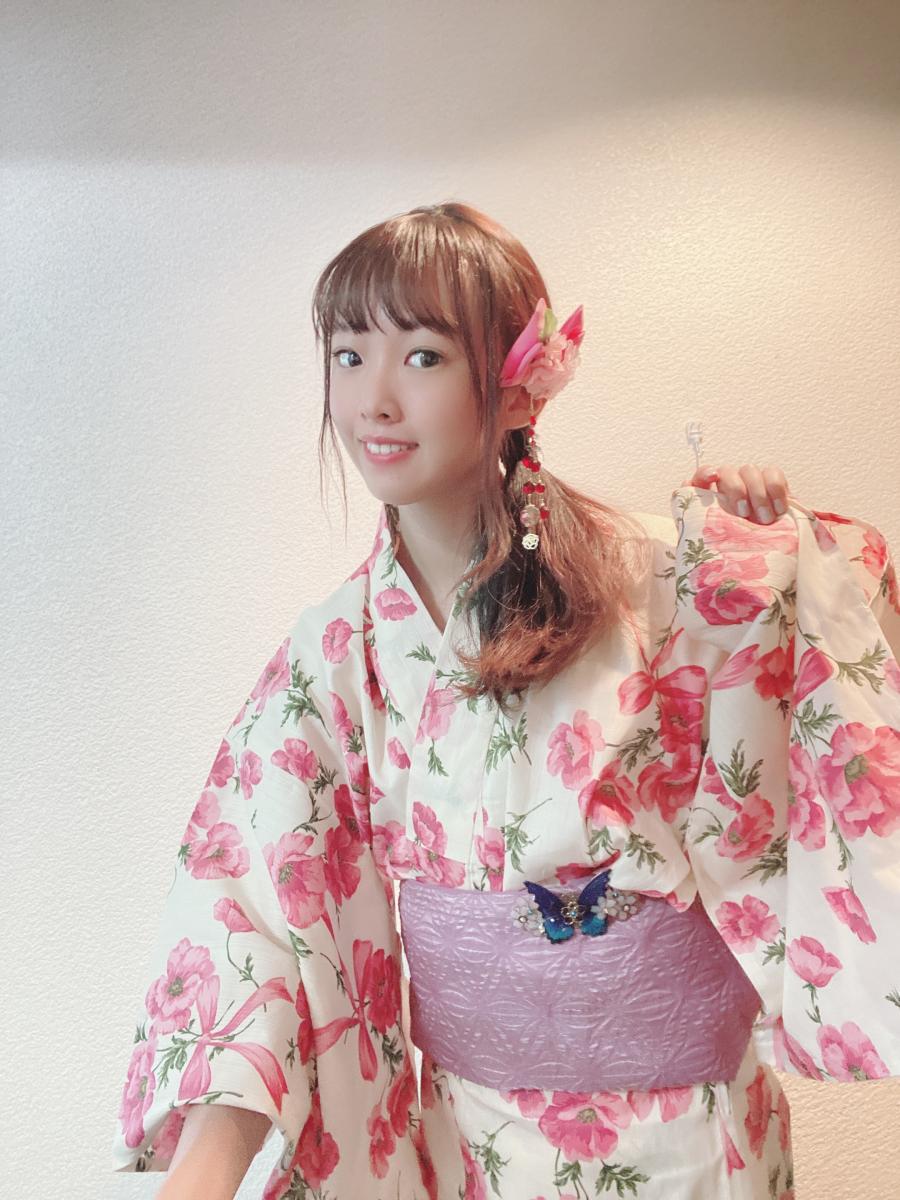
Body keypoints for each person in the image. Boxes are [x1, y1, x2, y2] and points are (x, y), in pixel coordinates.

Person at [112, 201, 900, 1199]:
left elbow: (841, 707)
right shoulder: (338, 650)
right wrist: (201, 1176)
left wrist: (772, 555)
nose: (373, 400)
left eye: (423, 356)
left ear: (520, 385)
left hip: (692, 1139)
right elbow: (253, 904)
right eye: (348, 356)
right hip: (471, 1143)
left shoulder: (658, 575)